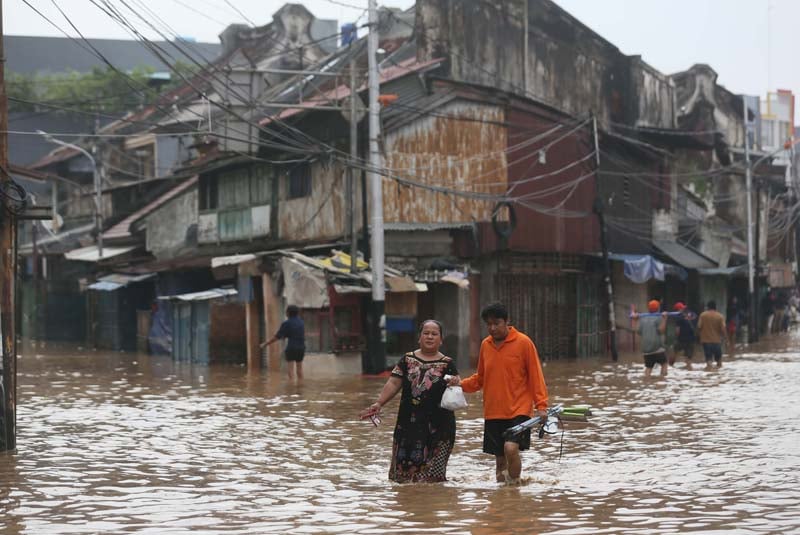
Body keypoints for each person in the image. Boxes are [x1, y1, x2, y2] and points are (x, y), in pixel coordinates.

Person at [447, 302, 548, 485]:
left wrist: (541, 406)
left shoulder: (524, 343)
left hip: (519, 410)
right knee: (500, 460)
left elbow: (536, 376)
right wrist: (460, 384)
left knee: (510, 448)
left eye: (497, 323)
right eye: (489, 324)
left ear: (507, 321)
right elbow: (480, 378)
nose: (492, 328)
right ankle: (504, 500)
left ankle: (515, 486)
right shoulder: (486, 345)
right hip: (494, 411)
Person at [359, 320, 460, 483]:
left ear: (441, 340)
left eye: (434, 334)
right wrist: (379, 403)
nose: (429, 337)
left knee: (434, 478)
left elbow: (457, 386)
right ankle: (407, 504)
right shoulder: (407, 359)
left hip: (440, 426)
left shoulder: (447, 363)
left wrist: (456, 381)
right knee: (402, 477)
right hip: (408, 424)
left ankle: (433, 505)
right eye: (426, 333)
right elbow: (393, 382)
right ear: (419, 337)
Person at [262, 305, 305, 380]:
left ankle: (291, 388)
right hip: (301, 348)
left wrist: (265, 344)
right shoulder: (301, 322)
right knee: (299, 369)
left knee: (290, 370)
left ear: (288, 313)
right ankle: (300, 387)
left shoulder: (286, 323)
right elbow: (296, 333)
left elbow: (277, 337)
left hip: (291, 348)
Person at [631, 299, 669, 378]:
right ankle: (662, 380)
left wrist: (634, 320)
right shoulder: (658, 318)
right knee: (664, 364)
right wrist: (665, 319)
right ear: (658, 308)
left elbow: (636, 330)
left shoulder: (643, 319)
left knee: (649, 367)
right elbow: (661, 331)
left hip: (646, 349)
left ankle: (646, 381)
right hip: (656, 347)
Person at [697, 300, 726, 370]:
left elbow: (699, 327)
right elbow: (723, 329)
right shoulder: (720, 316)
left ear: (707, 307)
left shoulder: (703, 315)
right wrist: (725, 338)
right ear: (715, 307)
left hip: (706, 342)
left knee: (709, 362)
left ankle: (709, 375)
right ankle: (718, 376)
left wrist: (698, 337)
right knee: (719, 362)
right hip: (717, 342)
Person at [671, 302, 695, 370]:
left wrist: (676, 338)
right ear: (680, 309)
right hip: (690, 338)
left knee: (674, 351)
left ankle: (670, 366)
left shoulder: (679, 317)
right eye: (683, 308)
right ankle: (689, 369)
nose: (684, 309)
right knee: (688, 357)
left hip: (682, 339)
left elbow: (677, 330)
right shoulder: (685, 316)